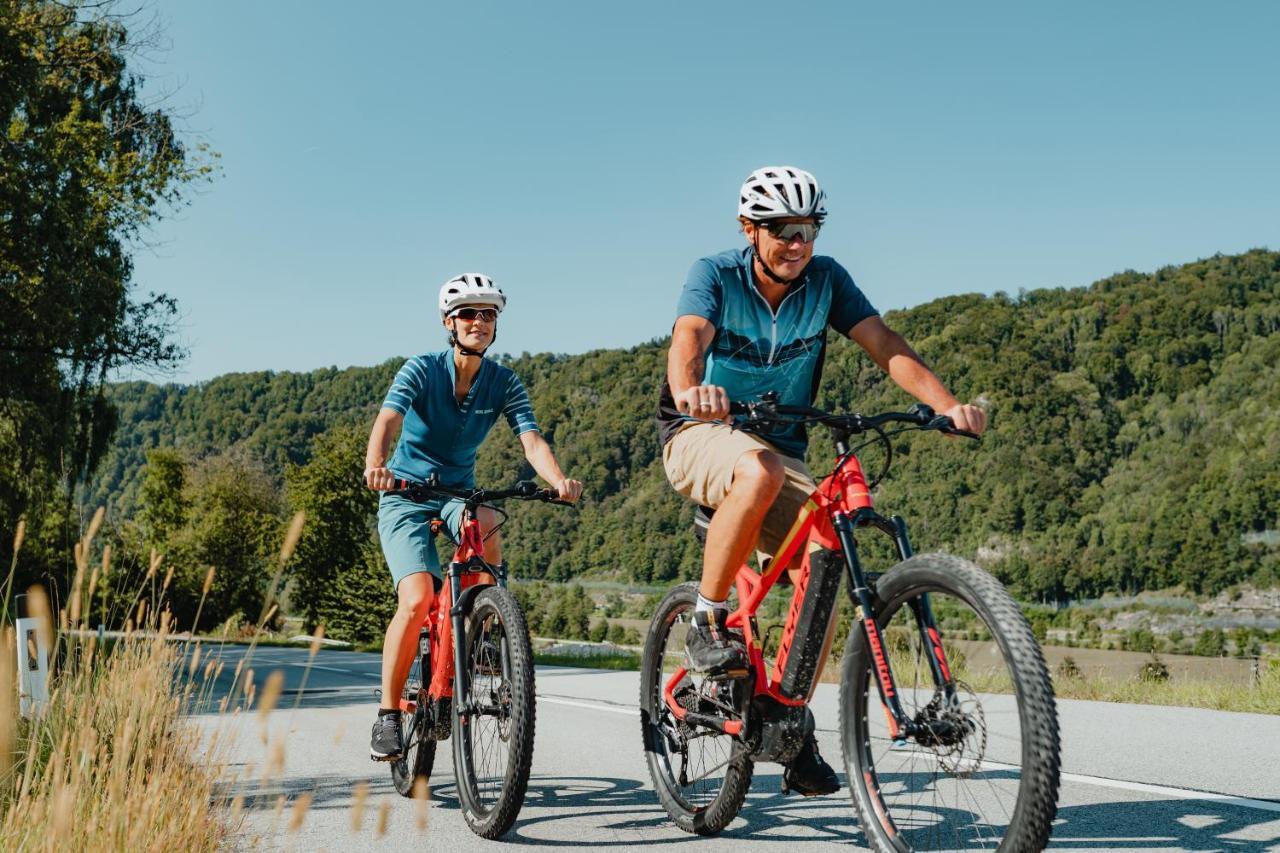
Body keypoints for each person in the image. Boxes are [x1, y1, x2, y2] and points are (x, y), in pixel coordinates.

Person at [656, 166, 988, 795]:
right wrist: (688, 393)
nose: (797, 243)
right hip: (699, 433)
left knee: (830, 551)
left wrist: (947, 405)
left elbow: (883, 342)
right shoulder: (715, 274)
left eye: (808, 229)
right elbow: (689, 337)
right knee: (759, 468)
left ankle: (785, 715)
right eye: (783, 230)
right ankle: (705, 621)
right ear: (750, 230)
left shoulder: (826, 280)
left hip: (783, 444)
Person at [364, 272, 583, 761]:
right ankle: (387, 713)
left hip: (456, 494)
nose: (479, 322)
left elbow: (531, 438)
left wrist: (557, 479)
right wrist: (375, 465)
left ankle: (481, 623)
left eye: (488, 314)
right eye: (468, 313)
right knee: (418, 596)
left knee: (487, 519)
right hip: (404, 494)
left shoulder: (504, 382)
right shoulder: (420, 369)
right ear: (449, 322)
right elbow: (389, 419)